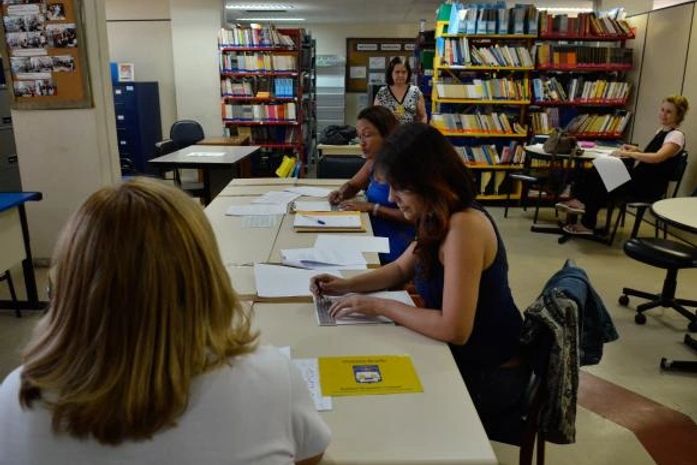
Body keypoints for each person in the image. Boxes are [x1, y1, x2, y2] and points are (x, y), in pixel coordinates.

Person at [0, 178, 330, 465]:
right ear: (208, 278)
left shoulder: (16, 397)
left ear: (68, 285)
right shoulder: (270, 379)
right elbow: (309, 456)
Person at [313, 123, 528, 443]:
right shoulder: (436, 214)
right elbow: (400, 269)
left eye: (399, 187)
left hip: (490, 374)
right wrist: (344, 285)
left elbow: (454, 328)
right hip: (461, 356)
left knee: (378, 409)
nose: (391, 197)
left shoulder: (464, 227)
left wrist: (378, 305)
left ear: (428, 181)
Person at [559, 95, 689, 235]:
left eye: (669, 112)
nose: (663, 114)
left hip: (648, 186)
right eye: (662, 110)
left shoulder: (676, 136)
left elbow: (658, 158)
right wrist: (636, 150)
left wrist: (629, 154)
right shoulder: (662, 131)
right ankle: (583, 207)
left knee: (601, 176)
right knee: (599, 168)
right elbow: (653, 155)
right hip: (641, 179)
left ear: (678, 115)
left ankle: (584, 211)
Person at [328, 106, 415, 264]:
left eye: (367, 135)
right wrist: (341, 193)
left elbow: (414, 216)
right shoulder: (374, 161)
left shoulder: (403, 166)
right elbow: (353, 185)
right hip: (370, 233)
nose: (362, 143)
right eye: (359, 136)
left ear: (387, 134)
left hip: (394, 245)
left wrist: (372, 208)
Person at [373, 56, 427, 124]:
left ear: (408, 73)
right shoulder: (382, 93)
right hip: (388, 130)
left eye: (404, 72)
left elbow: (423, 116)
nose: (400, 75)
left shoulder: (415, 92)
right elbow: (375, 117)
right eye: (397, 72)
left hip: (409, 130)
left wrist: (420, 129)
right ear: (391, 73)